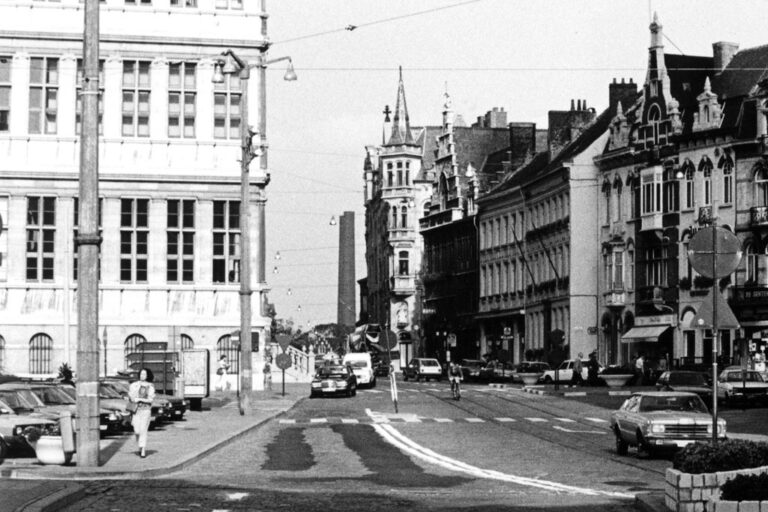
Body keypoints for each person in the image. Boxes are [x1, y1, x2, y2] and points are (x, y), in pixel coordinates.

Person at [128, 368, 155, 458]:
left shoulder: (150, 386)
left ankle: (142, 449)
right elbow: (131, 397)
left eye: (144, 374)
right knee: (137, 431)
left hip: (146, 410)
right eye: (141, 374)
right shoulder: (134, 385)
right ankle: (140, 446)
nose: (142, 376)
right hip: (136, 410)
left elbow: (150, 400)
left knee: (143, 430)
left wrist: (140, 399)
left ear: (147, 376)